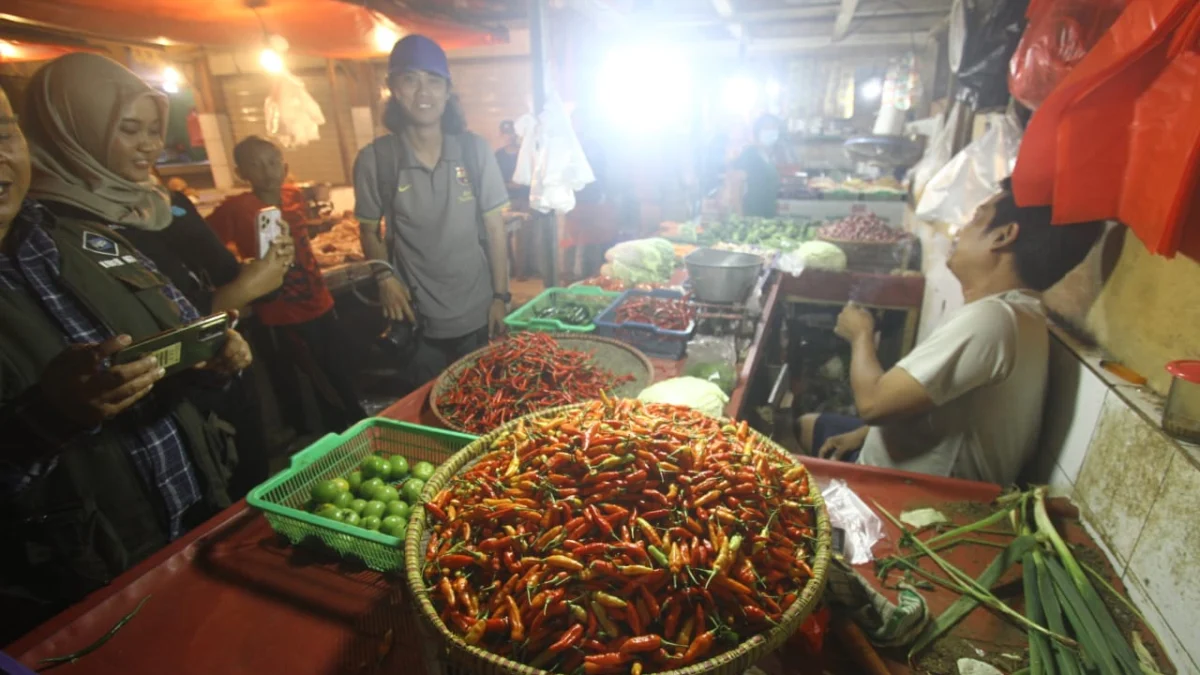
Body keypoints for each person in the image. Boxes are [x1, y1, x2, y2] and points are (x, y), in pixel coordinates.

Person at [1, 80, 250, 643]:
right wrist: (49, 415)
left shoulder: (88, 236)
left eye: (2, 132)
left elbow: (185, 329)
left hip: (200, 521)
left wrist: (214, 356)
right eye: (128, 129)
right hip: (81, 587)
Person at [797, 182, 1104, 485]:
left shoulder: (992, 320)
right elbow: (944, 404)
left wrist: (861, 334)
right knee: (807, 426)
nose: (959, 230)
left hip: (915, 495)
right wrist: (863, 434)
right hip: (901, 463)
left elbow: (873, 404)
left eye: (976, 218)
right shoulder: (1020, 314)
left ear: (1003, 236)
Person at [353, 35, 511, 389]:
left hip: (478, 315)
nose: (423, 93)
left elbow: (495, 228)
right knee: (429, 415)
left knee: (483, 406)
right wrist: (384, 278)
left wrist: (501, 297)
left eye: (434, 81)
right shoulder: (376, 160)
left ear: (447, 90)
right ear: (392, 86)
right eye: (410, 79)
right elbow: (367, 229)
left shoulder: (474, 151)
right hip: (419, 323)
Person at [207, 136, 366, 435]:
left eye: (272, 162)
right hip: (278, 316)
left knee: (338, 370)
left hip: (320, 303)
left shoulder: (294, 196)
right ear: (242, 173)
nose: (267, 171)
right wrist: (239, 273)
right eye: (256, 165)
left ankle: (353, 426)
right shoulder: (236, 208)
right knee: (301, 382)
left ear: (285, 167)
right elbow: (205, 241)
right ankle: (319, 438)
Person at [725, 113, 783, 218]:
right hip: (753, 218)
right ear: (758, 132)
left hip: (766, 217)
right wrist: (741, 219)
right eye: (767, 128)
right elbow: (735, 188)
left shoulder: (766, 156)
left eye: (775, 128)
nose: (772, 131)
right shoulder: (750, 154)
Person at [494, 119, 528, 206]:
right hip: (505, 200)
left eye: (511, 132)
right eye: (506, 133)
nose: (509, 136)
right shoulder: (498, 155)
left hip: (525, 199)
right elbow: (494, 180)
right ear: (501, 134)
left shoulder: (525, 153)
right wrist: (508, 185)